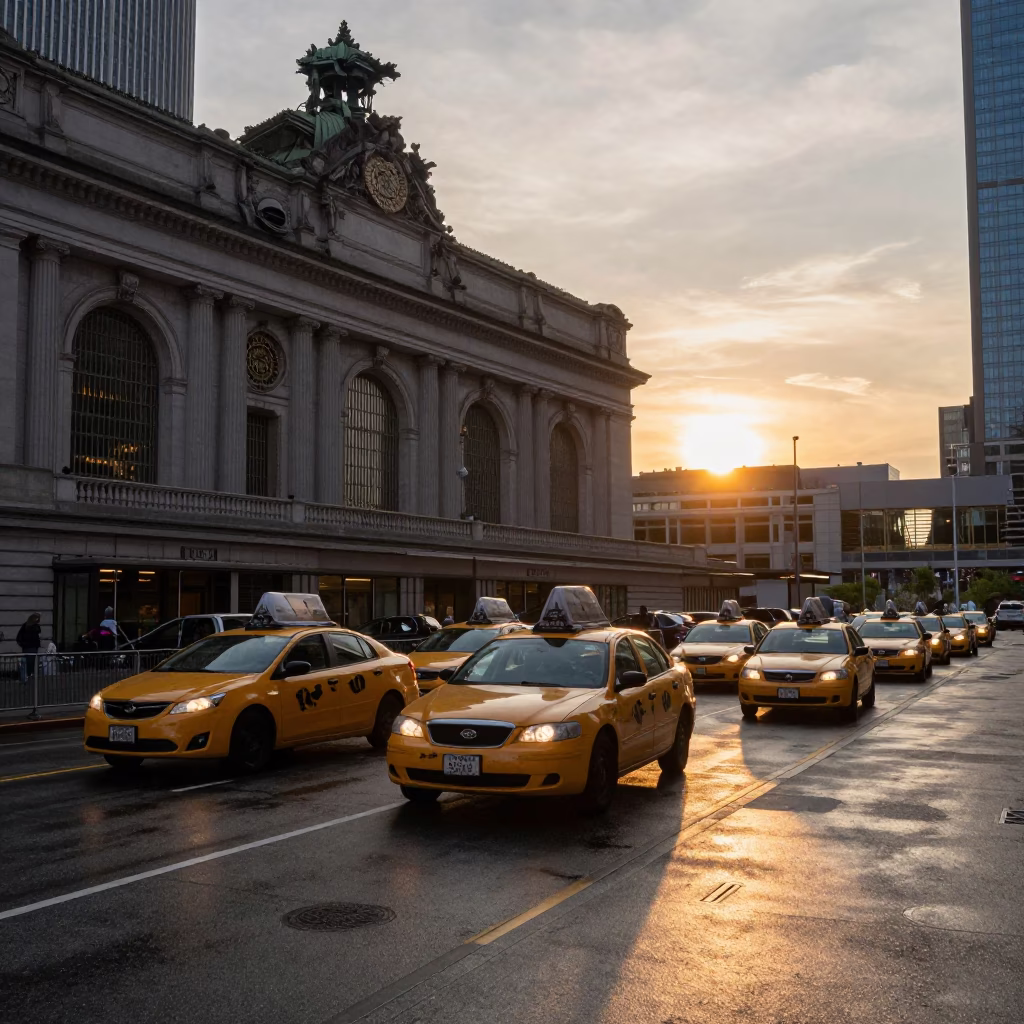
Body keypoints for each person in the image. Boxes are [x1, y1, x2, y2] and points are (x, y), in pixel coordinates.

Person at [16, 613, 41, 685]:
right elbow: (19, 638)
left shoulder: (35, 627)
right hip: (29, 648)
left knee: (31, 663)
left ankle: (28, 677)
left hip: (31, 647)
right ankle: (27, 677)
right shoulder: (27, 626)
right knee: (29, 663)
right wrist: (23, 644)